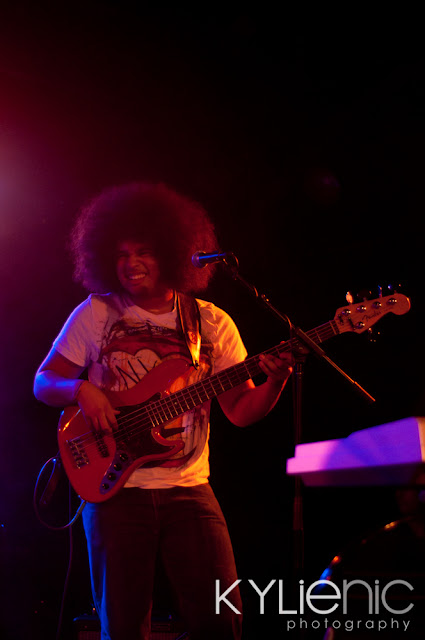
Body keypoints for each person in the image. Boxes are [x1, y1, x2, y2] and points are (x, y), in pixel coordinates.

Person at [33, 182, 292, 640]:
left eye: (144, 252)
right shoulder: (96, 314)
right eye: (120, 254)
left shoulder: (211, 323)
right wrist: (81, 389)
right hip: (114, 489)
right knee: (124, 627)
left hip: (190, 489)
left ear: (174, 253)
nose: (130, 264)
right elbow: (44, 382)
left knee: (222, 622)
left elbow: (240, 411)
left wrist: (275, 381)